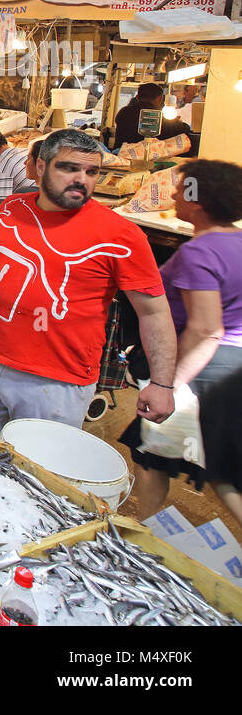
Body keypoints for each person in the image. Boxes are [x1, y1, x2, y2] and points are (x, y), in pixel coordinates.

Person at [0, 129, 178, 437]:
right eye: (68, 168)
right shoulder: (12, 209)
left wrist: (161, 383)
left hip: (56, 380)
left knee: (35, 475)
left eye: (91, 171)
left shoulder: (121, 235)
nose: (81, 179)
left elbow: (154, 312)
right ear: (41, 168)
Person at [121, 160, 242, 522]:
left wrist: (168, 384)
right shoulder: (236, 241)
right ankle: (148, 524)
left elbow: (206, 329)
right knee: (168, 455)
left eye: (183, 187)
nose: (174, 193)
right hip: (228, 365)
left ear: (200, 201)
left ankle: (145, 529)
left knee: (217, 471)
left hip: (203, 370)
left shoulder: (198, 253)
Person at [113, 82, 193, 149]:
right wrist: (176, 121)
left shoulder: (124, 112)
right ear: (159, 99)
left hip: (120, 155)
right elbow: (182, 129)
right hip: (143, 158)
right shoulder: (155, 115)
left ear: (137, 97)